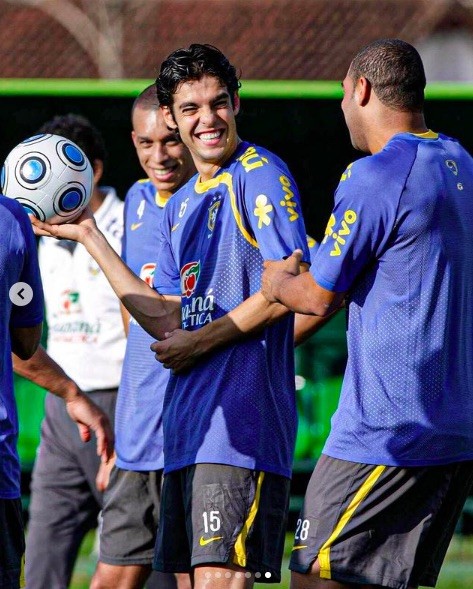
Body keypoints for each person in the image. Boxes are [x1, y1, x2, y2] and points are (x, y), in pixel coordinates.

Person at [29, 44, 310, 588]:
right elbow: (164, 319)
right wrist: (89, 234)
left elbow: (290, 287)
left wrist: (201, 344)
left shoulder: (259, 175)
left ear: (236, 104)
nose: (207, 119)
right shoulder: (182, 204)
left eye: (218, 103)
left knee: (216, 581)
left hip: (241, 428)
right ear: (174, 118)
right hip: (190, 430)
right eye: (191, 109)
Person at [261, 38, 473, 589]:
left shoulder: (373, 176)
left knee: (312, 575)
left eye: (341, 95)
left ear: (362, 89)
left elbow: (317, 297)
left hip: (384, 430)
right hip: (452, 431)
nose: (341, 110)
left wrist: (276, 278)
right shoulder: (461, 162)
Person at [13, 113, 126, 589]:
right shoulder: (26, 235)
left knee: (138, 556)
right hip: (63, 408)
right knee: (41, 556)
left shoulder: (131, 221)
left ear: (91, 171)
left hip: (125, 403)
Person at [90, 85, 195, 589]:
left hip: (196, 438)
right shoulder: (134, 199)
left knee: (201, 579)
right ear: (133, 142)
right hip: (138, 440)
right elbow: (131, 304)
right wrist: (126, 425)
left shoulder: (221, 201)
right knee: (110, 578)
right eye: (146, 143)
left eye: (170, 141)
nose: (160, 156)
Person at [0, 190, 113, 589]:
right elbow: (23, 343)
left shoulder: (14, 219)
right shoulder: (11, 220)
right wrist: (70, 393)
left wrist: (71, 393)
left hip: (110, 400)